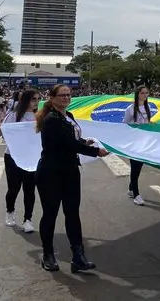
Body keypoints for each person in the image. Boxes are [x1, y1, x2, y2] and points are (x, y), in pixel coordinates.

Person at [35, 84, 109, 273]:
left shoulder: (69, 116)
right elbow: (68, 144)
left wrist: (85, 142)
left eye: (68, 95)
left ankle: (78, 256)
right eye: (62, 95)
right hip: (51, 173)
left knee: (72, 214)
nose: (66, 98)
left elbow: (73, 140)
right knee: (50, 214)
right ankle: (48, 254)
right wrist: (96, 151)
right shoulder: (52, 119)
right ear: (52, 98)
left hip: (70, 171)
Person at [0, 88, 40, 232]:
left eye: (38, 99)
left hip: (32, 158)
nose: (36, 102)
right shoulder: (12, 116)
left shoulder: (40, 116)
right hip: (13, 157)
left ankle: (28, 219)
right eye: (33, 99)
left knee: (29, 189)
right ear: (25, 100)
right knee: (13, 188)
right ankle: (10, 212)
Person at [123, 85, 152, 206]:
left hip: (144, 142)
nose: (145, 95)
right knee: (135, 168)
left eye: (146, 93)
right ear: (137, 94)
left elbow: (147, 122)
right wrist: (133, 125)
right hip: (133, 142)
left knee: (138, 167)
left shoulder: (148, 106)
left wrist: (152, 123)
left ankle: (131, 188)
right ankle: (136, 194)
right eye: (142, 93)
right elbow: (124, 124)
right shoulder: (130, 109)